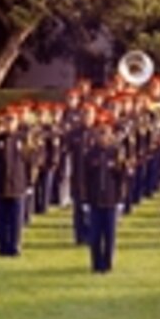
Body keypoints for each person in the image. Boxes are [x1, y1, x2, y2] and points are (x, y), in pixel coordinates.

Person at [81, 115, 127, 274]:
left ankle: (108, 264)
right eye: (100, 133)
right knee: (94, 236)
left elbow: (122, 178)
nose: (103, 136)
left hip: (111, 200)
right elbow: (84, 178)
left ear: (111, 135)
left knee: (110, 235)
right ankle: (96, 264)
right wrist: (85, 200)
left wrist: (121, 199)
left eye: (106, 133)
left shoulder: (116, 153)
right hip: (94, 200)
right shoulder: (90, 154)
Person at [0, 108, 32, 257]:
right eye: (6, 120)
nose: (9, 123)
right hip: (0, 186)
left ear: (17, 122)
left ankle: (15, 245)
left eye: (12, 120)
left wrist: (29, 183)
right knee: (0, 219)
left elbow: (30, 163)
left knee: (16, 220)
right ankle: (2, 246)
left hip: (18, 185)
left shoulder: (23, 140)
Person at [65, 103, 98, 245]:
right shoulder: (73, 134)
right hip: (78, 174)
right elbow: (66, 153)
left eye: (90, 115)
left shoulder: (97, 133)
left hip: (93, 176)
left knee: (92, 207)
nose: (87, 118)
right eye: (85, 115)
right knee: (78, 207)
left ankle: (91, 235)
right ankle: (79, 236)